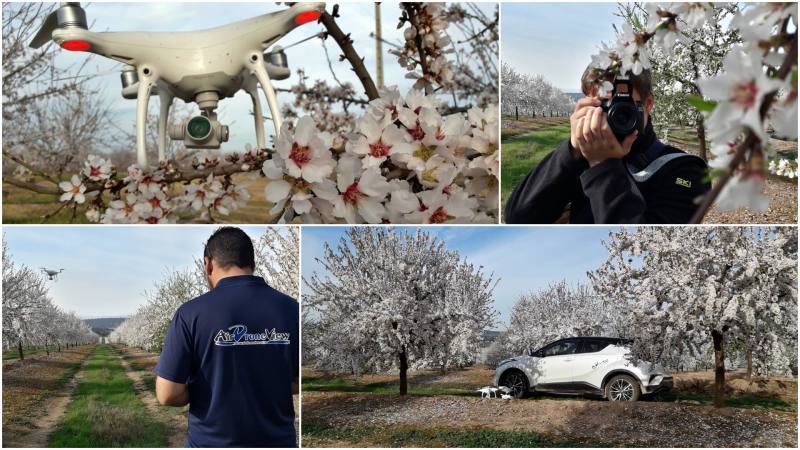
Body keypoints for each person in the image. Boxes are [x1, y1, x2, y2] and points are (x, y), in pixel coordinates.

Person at [505, 67, 710, 224]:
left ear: (648, 105)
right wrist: (572, 151)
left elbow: (639, 247)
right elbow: (518, 218)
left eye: (624, 107)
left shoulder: (685, 170)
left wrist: (603, 165)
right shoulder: (579, 158)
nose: (614, 115)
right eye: (604, 105)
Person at [154, 227, 299, 448]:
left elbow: (167, 394)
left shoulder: (190, 314)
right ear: (252, 263)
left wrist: (208, 390)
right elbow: (298, 382)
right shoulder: (292, 309)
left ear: (208, 264)